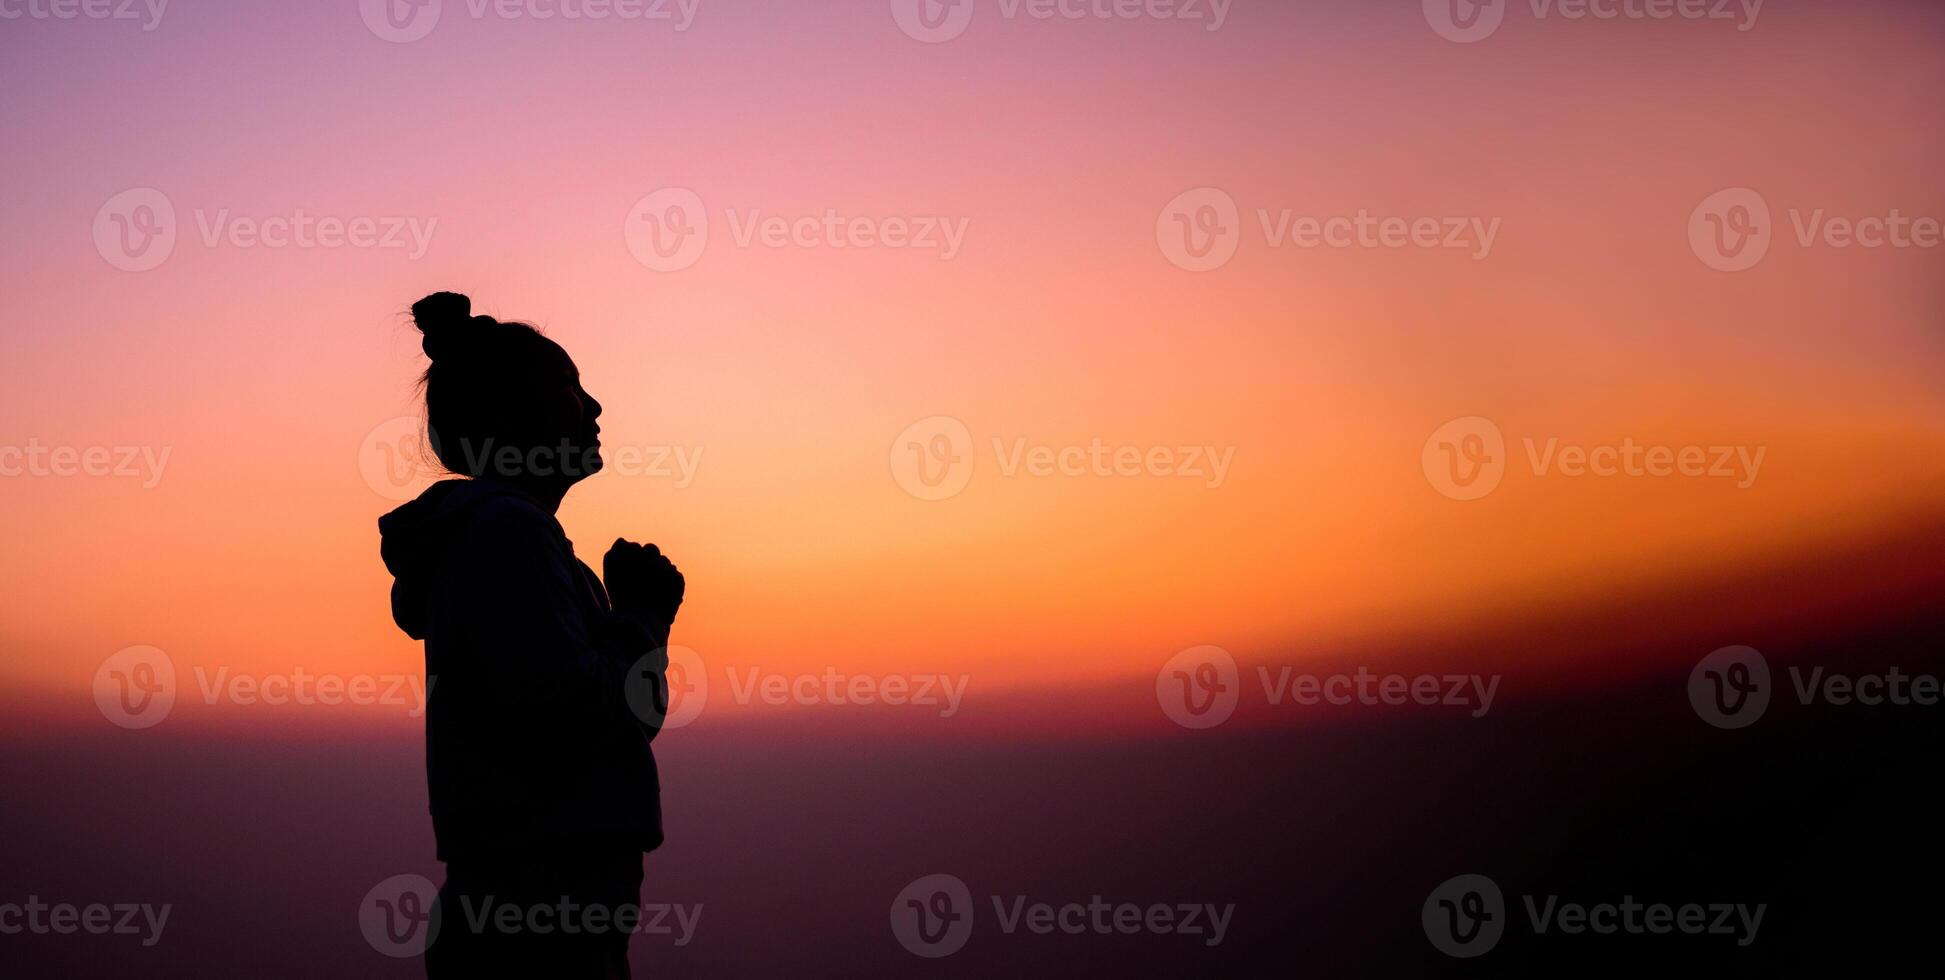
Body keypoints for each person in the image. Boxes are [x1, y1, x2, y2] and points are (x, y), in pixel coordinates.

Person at [377, 291, 684, 978]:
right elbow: (572, 713)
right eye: (570, 389)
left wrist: (637, 621)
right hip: (538, 921)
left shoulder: (524, 544)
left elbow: (622, 719)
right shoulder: (507, 535)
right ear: (505, 417)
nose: (595, 408)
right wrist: (640, 617)